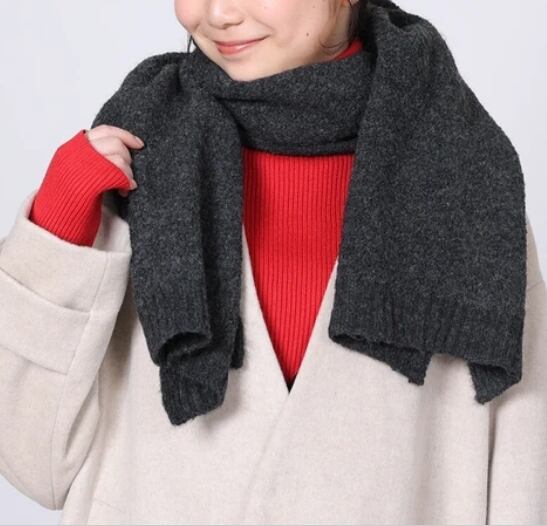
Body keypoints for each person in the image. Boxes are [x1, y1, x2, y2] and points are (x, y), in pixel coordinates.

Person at [0, 0, 545, 524]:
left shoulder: (464, 181)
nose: (218, 13)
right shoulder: (140, 160)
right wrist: (57, 231)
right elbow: (32, 464)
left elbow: (522, 474)